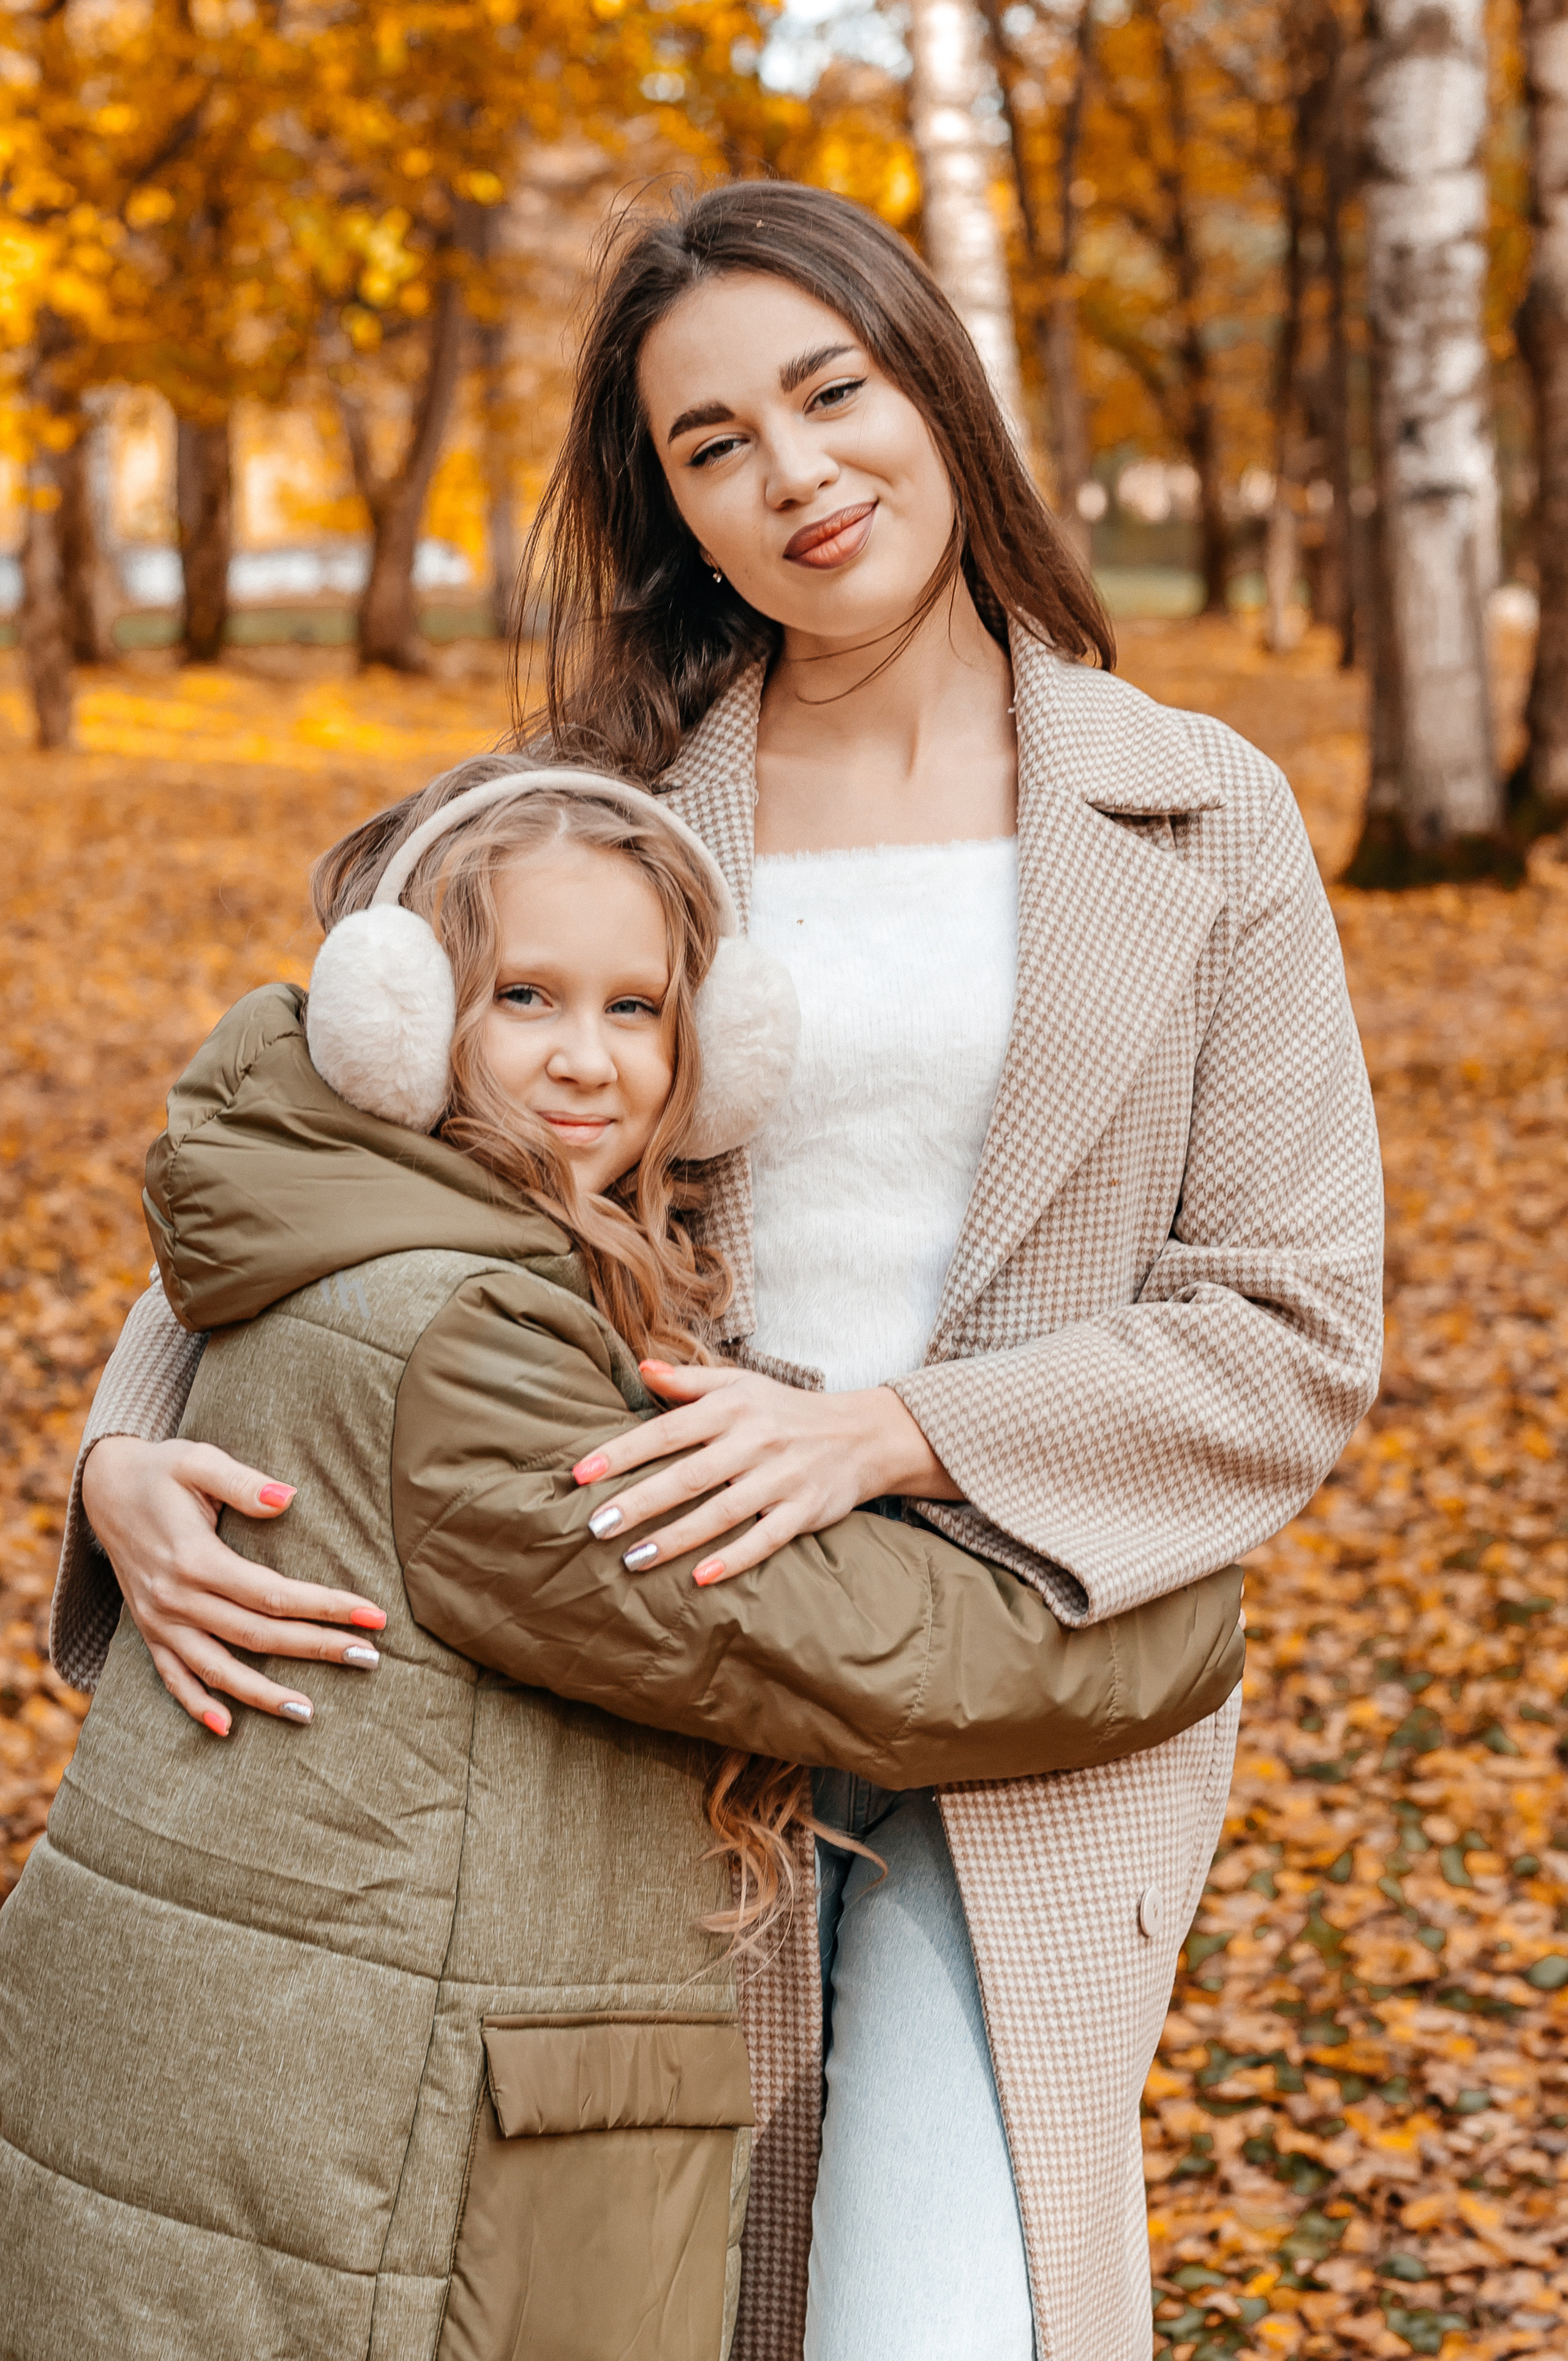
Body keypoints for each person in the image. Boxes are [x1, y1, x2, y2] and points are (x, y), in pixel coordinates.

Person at [48, 182, 1384, 2360]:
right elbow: (325, 1146)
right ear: (671, 505)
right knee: (677, 2305)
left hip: (1021, 1664)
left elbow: (1298, 1316)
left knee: (936, 2316)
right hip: (626, 1671)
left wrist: (889, 1433)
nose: (798, 477)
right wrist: (127, 1449)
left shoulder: (1196, 814)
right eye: (712, 444)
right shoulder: (594, 803)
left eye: (830, 393)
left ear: (933, 387)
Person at [0, 767, 1244, 2360]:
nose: (587, 1061)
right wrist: (1174, 1595)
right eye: (523, 997)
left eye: (638, 1011)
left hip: (267, 2077)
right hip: (349, 2140)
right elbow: (837, 1642)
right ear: (394, 1015)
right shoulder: (463, 1339)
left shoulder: (346, 1227)